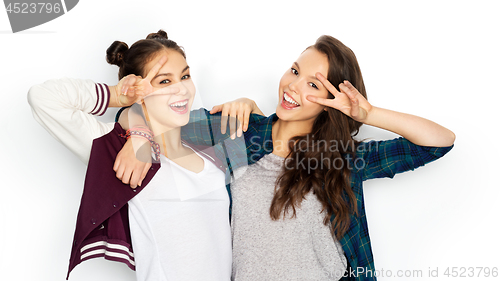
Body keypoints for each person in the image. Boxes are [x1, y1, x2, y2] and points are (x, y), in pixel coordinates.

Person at [115, 35, 455, 281]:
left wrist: (368, 113)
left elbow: (438, 143)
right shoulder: (241, 131)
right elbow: (159, 113)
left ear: (332, 99)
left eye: (313, 85)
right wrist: (140, 135)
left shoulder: (341, 158)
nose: (293, 87)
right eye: (294, 71)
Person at [28, 30, 261, 281]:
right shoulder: (122, 153)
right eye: (164, 82)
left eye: (185, 75)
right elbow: (43, 98)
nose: (181, 89)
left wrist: (250, 106)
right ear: (138, 91)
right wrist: (118, 97)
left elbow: (276, 152)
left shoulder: (207, 147)